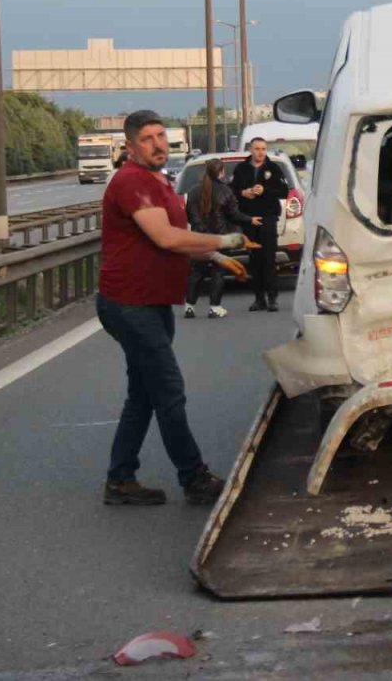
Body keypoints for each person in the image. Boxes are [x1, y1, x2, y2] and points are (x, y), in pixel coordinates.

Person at [98, 110, 251, 506]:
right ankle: (193, 477)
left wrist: (215, 259)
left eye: (161, 136)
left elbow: (179, 234)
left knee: (143, 395)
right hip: (130, 304)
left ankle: (120, 479)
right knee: (168, 391)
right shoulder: (132, 181)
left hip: (150, 302)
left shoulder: (158, 180)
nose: (158, 144)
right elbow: (165, 238)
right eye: (147, 139)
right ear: (130, 147)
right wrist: (225, 243)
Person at [184, 157, 259, 319]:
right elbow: (234, 214)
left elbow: (190, 216)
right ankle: (214, 307)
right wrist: (250, 219)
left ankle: (189, 306)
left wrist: (199, 228)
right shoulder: (225, 191)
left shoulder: (193, 192)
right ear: (221, 172)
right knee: (218, 271)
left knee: (197, 272)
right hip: (220, 237)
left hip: (199, 238)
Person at [229, 137, 289, 312]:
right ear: (250, 149)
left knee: (269, 258)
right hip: (249, 218)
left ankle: (272, 298)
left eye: (263, 149)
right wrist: (243, 192)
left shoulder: (273, 168)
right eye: (257, 149)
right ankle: (258, 298)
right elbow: (231, 190)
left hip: (268, 218)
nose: (260, 152)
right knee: (254, 260)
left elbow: (284, 191)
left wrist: (265, 191)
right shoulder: (241, 169)